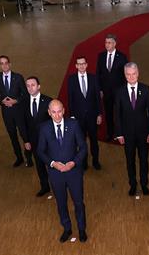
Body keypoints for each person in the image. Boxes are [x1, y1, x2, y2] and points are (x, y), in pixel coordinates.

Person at [36, 99, 88, 243]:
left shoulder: (73, 125)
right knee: (61, 203)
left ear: (64, 111)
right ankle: (67, 228)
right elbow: (40, 151)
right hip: (56, 174)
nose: (57, 115)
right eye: (54, 112)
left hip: (73, 172)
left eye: (59, 111)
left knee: (78, 202)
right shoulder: (44, 128)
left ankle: (82, 228)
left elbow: (83, 148)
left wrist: (73, 163)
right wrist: (53, 164)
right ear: (49, 113)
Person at [114, 62, 149, 199]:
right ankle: (133, 184)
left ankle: (144, 184)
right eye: (128, 74)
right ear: (125, 75)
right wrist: (119, 133)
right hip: (127, 134)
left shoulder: (145, 89)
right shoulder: (120, 92)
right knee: (130, 160)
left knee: (144, 160)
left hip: (143, 133)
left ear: (138, 74)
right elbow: (117, 114)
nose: (131, 77)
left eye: (133, 74)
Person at [67, 55, 102, 170]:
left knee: (94, 141)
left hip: (92, 116)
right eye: (79, 64)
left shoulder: (93, 78)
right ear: (76, 66)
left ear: (86, 65)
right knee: (81, 143)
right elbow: (70, 99)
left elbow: (97, 98)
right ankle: (84, 163)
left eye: (83, 63)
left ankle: (96, 161)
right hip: (78, 118)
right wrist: (72, 116)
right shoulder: (71, 79)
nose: (81, 66)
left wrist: (99, 114)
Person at [19, 76, 53, 197]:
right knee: (39, 165)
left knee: (52, 164)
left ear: (39, 86)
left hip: (48, 141)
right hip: (33, 141)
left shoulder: (49, 101)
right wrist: (26, 140)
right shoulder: (23, 102)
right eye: (28, 86)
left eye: (33, 85)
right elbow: (22, 123)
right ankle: (45, 186)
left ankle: (56, 186)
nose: (30, 88)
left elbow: (54, 122)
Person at [0, 55, 26, 167]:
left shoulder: (18, 77)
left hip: (18, 111)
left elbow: (25, 94)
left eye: (6, 63)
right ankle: (19, 157)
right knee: (12, 136)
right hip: (6, 112)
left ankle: (29, 157)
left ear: (10, 64)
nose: (4, 65)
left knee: (24, 134)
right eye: (2, 63)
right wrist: (2, 101)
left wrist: (15, 101)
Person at [96, 34, 128, 141]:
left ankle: (121, 132)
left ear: (115, 44)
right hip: (106, 91)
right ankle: (110, 132)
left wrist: (124, 90)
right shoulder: (101, 56)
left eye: (109, 43)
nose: (107, 45)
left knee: (120, 112)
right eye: (106, 42)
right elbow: (98, 74)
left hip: (119, 91)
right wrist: (100, 89)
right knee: (108, 113)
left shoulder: (122, 57)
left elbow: (126, 75)